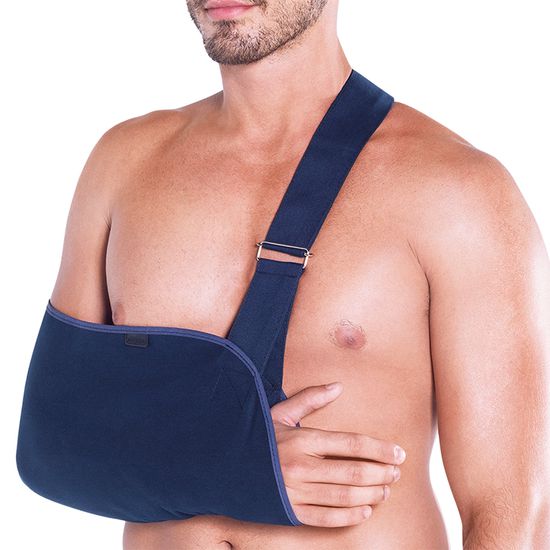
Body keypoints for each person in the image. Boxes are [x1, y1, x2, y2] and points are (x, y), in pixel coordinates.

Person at [47, 0, 550, 548]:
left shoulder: (458, 190)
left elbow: (513, 516)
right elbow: (52, 444)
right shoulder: (126, 161)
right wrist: (235, 465)